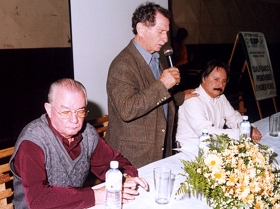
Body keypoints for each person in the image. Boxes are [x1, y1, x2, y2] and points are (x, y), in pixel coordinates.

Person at [9, 78, 148, 209]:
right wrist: (95, 196)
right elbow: (38, 200)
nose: (75, 120)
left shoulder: (87, 133)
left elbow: (113, 162)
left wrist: (124, 178)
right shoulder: (32, 142)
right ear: (49, 109)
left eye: (80, 111)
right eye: (66, 112)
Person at [106, 2, 198, 168]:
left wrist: (179, 96)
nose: (165, 38)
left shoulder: (156, 57)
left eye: (167, 32)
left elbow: (155, 98)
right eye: (160, 31)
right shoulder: (122, 65)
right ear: (141, 29)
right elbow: (128, 108)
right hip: (134, 157)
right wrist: (163, 84)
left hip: (159, 149)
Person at [176, 60, 262, 153]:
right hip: (190, 152)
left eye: (224, 81)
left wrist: (249, 127)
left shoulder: (220, 97)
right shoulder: (192, 100)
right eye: (216, 79)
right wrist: (242, 132)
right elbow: (207, 132)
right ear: (204, 78)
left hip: (214, 148)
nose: (220, 85)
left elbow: (233, 118)